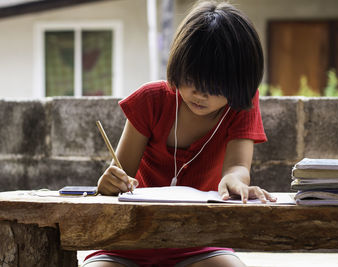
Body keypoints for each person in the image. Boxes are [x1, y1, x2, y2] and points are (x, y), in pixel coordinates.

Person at [83, 1, 276, 266]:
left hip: (199, 240)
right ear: (178, 66)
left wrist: (236, 182)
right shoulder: (151, 100)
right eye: (191, 80)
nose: (199, 94)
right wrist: (108, 183)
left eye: (214, 86)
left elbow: (237, 167)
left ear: (238, 85)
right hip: (127, 240)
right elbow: (119, 174)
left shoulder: (241, 107)